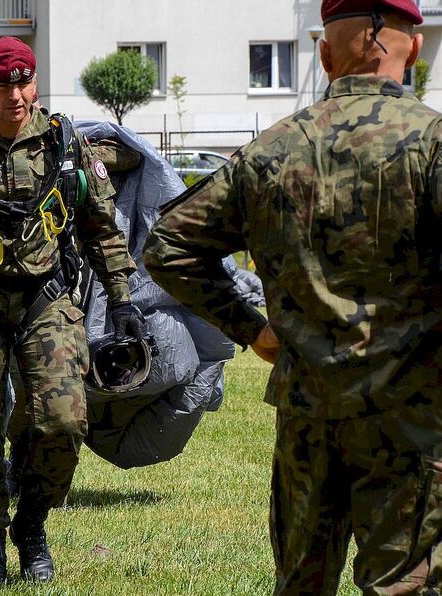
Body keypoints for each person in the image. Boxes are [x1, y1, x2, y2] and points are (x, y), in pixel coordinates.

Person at [142, 0, 441, 593]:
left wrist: (251, 327)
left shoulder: (270, 151)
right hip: (410, 419)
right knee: (407, 586)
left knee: (302, 584)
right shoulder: (433, 144)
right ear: (418, 47)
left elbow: (168, 244)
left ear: (324, 54)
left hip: (309, 419)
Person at [0, 36, 145, 587]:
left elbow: (102, 228)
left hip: (48, 296)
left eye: (24, 81)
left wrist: (123, 300)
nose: (16, 94)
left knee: (63, 421)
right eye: (3, 84)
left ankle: (31, 526)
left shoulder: (65, 144)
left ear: (34, 82)